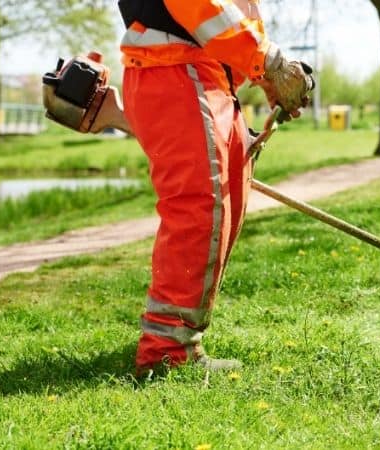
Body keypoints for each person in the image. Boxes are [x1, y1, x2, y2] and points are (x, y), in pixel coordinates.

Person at [117, 0, 313, 373]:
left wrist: (264, 74)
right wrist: (270, 61)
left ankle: (176, 339)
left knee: (226, 203)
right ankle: (167, 353)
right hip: (175, 68)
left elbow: (230, 13)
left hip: (206, 74)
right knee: (200, 209)